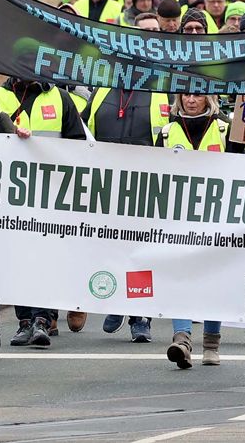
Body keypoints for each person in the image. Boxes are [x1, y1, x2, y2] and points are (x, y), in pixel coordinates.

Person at [0, 77, 86, 346]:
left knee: (45, 258)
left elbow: (78, 145)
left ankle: (43, 320)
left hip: (51, 197)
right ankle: (24, 322)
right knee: (19, 259)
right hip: (14, 197)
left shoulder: (60, 98)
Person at [81, 83, 172, 341]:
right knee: (110, 248)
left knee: (141, 253)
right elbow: (83, 134)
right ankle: (117, 302)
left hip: (146, 187)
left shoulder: (159, 93)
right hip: (108, 186)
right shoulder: (100, 93)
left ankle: (140, 315)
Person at [156, 93, 236, 368]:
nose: (191, 99)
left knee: (214, 278)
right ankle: (182, 339)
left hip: (218, 218)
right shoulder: (167, 133)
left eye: (198, 94)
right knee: (180, 276)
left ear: (209, 98)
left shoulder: (225, 128)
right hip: (178, 218)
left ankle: (211, 342)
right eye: (186, 94)